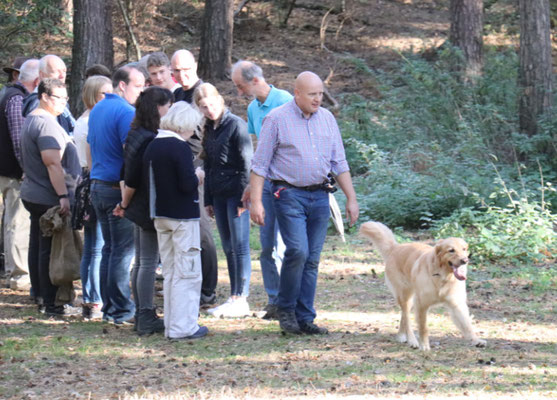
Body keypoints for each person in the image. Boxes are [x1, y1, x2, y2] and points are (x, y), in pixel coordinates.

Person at [249, 71, 359, 335]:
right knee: (297, 251)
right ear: (296, 93)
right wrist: (256, 201)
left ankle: (305, 317)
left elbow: (339, 162)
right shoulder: (276, 119)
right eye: (312, 94)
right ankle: (285, 309)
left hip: (320, 195)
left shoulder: (327, 119)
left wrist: (351, 199)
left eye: (320, 94)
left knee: (312, 258)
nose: (318, 99)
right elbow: (260, 164)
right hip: (288, 194)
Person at [231, 60, 293, 320]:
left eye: (240, 86)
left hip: (288, 184)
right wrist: (252, 183)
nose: (238, 92)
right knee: (266, 246)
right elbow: (259, 149)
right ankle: (274, 300)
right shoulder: (253, 108)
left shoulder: (285, 100)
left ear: (255, 80)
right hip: (265, 183)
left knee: (284, 246)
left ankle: (289, 300)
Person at [143, 101, 208, 340]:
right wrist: (198, 175)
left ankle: (172, 323)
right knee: (187, 272)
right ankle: (184, 327)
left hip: (160, 214)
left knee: (170, 272)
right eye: (192, 127)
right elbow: (186, 184)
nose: (193, 132)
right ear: (184, 125)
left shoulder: (153, 145)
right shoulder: (178, 147)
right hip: (182, 216)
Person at [88, 65, 145, 325]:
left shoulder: (98, 107)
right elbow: (130, 154)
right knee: (121, 252)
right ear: (122, 85)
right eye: (138, 86)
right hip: (114, 188)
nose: (141, 91)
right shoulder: (126, 111)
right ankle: (121, 310)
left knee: (109, 250)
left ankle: (111, 308)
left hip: (98, 185)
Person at [114, 86, 173, 335]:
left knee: (142, 262)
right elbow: (132, 177)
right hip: (145, 204)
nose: (169, 111)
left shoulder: (137, 132)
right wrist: (124, 204)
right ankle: (146, 313)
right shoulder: (148, 137)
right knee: (147, 262)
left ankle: (142, 312)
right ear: (158, 108)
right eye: (167, 106)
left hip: (138, 204)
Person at [19, 78, 81, 316]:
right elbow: (53, 164)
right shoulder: (45, 124)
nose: (63, 103)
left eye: (65, 98)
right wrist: (63, 195)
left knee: (38, 246)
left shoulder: (32, 119)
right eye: (59, 98)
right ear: (44, 96)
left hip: (34, 192)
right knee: (51, 250)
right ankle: (52, 302)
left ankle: (40, 295)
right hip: (47, 196)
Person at [194, 83, 253, 318]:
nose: (209, 110)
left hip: (237, 193)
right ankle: (233, 296)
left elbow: (246, 164)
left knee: (240, 246)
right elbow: (207, 164)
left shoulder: (236, 125)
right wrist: (207, 198)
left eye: (211, 105)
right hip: (217, 194)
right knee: (227, 246)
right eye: (203, 107)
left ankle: (241, 296)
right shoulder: (209, 128)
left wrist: (244, 197)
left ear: (220, 101)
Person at [171, 49, 218, 307]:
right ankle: (189, 283)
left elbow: (211, 134)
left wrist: (200, 168)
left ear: (195, 66)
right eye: (176, 70)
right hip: (177, 167)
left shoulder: (203, 91)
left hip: (198, 169)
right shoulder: (178, 94)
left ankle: (208, 291)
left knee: (201, 231)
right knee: (182, 229)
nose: (182, 75)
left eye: (186, 69)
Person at [73, 75, 113, 319]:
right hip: (92, 181)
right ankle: (95, 299)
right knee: (96, 246)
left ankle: (91, 299)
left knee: (91, 247)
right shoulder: (90, 122)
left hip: (86, 182)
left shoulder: (85, 119)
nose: (108, 99)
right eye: (103, 94)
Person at [0, 59, 39, 292]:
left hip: (5, 169)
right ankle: (19, 275)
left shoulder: (6, 94)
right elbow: (18, 139)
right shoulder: (16, 99)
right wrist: (27, 168)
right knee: (17, 223)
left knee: (10, 222)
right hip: (12, 172)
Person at [22, 55, 75, 135]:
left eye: (64, 71)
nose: (62, 76)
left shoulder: (60, 100)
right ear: (42, 74)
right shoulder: (39, 102)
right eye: (56, 71)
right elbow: (47, 136)